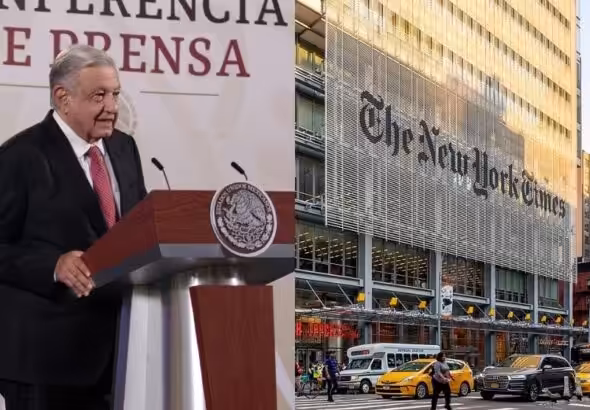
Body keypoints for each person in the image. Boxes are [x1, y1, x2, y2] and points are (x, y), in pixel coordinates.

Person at [0, 44, 147, 410]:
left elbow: (141, 228)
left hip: (122, 356)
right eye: (99, 95)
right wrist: (53, 265)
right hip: (45, 363)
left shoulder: (125, 149)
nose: (112, 107)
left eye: (115, 94)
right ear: (63, 98)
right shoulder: (19, 156)